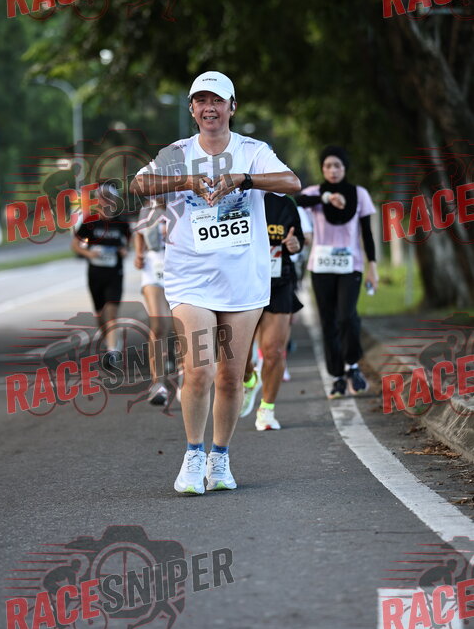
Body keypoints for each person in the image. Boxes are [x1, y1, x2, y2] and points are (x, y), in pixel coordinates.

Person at [131, 71, 300, 494]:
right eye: (201, 101)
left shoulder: (252, 151)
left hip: (243, 280)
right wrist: (185, 180)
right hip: (191, 279)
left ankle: (219, 458)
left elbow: (292, 183)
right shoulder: (177, 153)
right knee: (199, 370)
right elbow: (138, 184)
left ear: (231, 107)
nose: (210, 108)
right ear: (192, 109)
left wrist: (243, 179)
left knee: (230, 375)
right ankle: (193, 456)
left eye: (217, 100)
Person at [296, 146, 378, 399]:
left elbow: (367, 233)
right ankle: (337, 377)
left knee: (346, 316)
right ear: (322, 169)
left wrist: (373, 266)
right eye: (328, 166)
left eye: (337, 166)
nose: (332, 170)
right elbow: (297, 201)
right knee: (328, 321)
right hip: (321, 266)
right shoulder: (314, 193)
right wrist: (326, 198)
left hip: (350, 266)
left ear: (345, 168)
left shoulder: (359, 194)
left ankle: (352, 365)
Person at [240, 193, 304, 430]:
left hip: (278, 282)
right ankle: (249, 378)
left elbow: (298, 239)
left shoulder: (284, 202)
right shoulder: (236, 196)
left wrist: (295, 244)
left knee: (274, 350)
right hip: (242, 285)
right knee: (239, 355)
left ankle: (267, 409)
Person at [71, 181, 131, 361]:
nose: (104, 201)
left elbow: (130, 243)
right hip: (96, 274)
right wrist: (89, 253)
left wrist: (125, 250)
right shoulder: (90, 222)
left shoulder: (121, 222)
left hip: (115, 274)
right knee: (100, 315)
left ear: (114, 201)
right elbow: (75, 245)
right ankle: (110, 341)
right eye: (101, 198)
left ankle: (112, 352)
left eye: (108, 198)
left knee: (111, 313)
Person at [134, 200, 172, 406]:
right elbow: (139, 233)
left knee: (183, 326)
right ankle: (159, 384)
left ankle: (187, 377)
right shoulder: (148, 208)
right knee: (158, 326)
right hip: (154, 268)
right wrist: (139, 254)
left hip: (183, 269)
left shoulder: (186, 201)